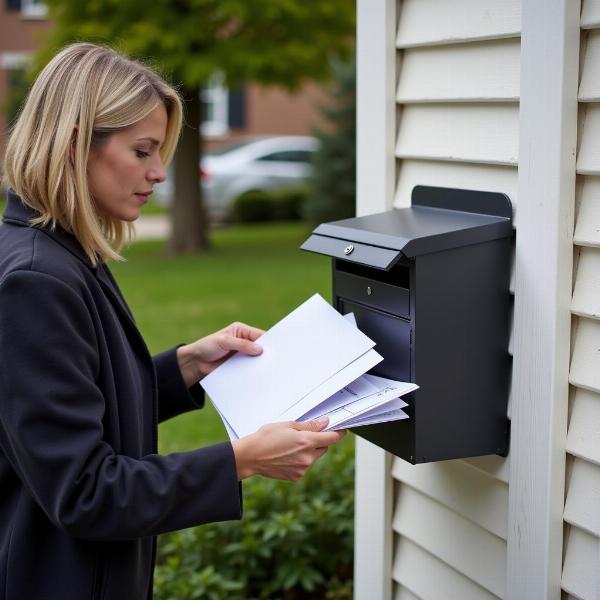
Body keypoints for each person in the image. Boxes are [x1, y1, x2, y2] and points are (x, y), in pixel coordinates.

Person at [0, 43, 345, 600]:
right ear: (73, 143)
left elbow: (72, 402)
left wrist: (186, 367)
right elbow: (85, 492)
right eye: (142, 151)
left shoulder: (59, 252)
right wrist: (242, 460)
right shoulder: (36, 279)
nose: (159, 172)